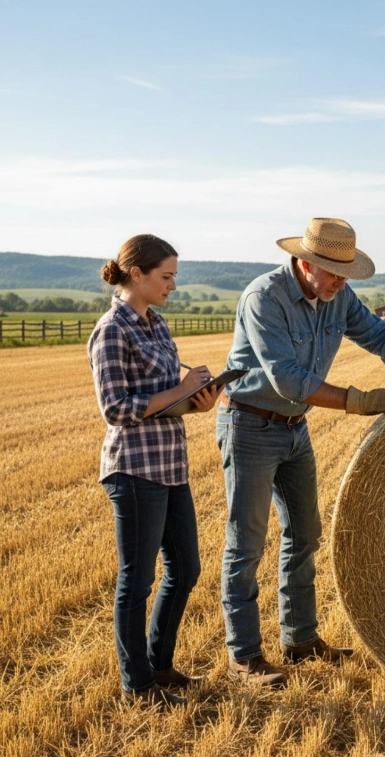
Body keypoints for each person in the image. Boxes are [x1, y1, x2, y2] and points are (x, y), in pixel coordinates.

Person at [217, 217, 385, 687]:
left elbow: (379, 335)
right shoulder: (264, 298)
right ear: (304, 262)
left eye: (346, 274)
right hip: (250, 426)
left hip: (294, 427)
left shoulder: (337, 296)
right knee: (247, 543)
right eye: (334, 273)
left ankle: (299, 639)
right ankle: (244, 658)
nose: (341, 282)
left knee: (305, 533)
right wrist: (359, 402)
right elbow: (287, 379)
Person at [88, 234, 220, 708]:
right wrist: (179, 389)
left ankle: (159, 667)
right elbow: (116, 409)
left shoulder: (158, 323)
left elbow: (167, 400)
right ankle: (137, 684)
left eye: (175, 278)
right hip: (134, 468)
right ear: (137, 275)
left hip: (170, 464)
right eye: (166, 277)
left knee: (185, 569)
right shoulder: (111, 330)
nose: (173, 286)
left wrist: (196, 400)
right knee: (136, 580)